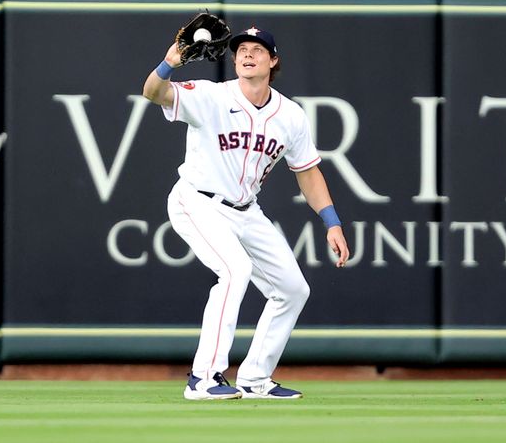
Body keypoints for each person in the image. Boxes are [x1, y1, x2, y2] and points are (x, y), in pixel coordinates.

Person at [142, 25, 350, 400]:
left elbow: (307, 172)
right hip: (197, 200)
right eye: (241, 49)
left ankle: (255, 378)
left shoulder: (291, 115)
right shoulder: (210, 96)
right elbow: (153, 93)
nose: (247, 54)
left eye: (257, 49)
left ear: (273, 60)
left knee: (292, 289)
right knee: (235, 270)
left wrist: (331, 222)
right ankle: (203, 378)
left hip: (246, 210)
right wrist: (170, 63)